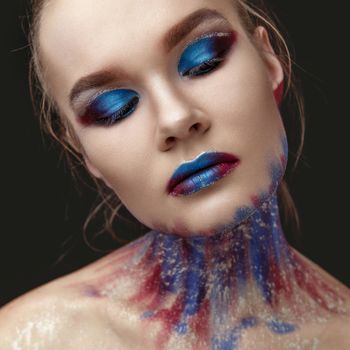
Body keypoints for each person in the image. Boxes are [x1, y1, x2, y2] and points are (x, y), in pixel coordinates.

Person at [0, 0, 349, 348]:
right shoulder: (29, 339)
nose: (176, 119)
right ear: (80, 149)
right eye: (114, 109)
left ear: (268, 61)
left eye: (203, 61)